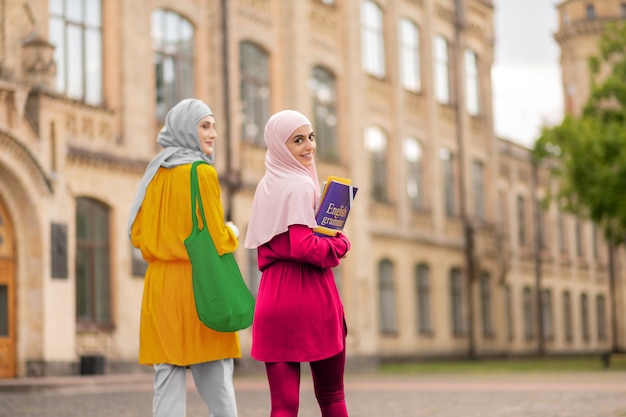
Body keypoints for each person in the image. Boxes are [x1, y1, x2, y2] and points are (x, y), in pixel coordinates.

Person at [128, 98, 241, 417]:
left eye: (214, 126)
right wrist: (231, 231)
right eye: (205, 125)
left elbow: (136, 234)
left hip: (160, 288)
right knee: (217, 382)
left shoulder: (154, 173)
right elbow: (216, 238)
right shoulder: (202, 173)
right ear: (186, 129)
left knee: (166, 382)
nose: (213, 134)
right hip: (198, 287)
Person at [244, 110, 351, 417]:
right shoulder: (302, 185)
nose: (309, 146)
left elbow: (272, 245)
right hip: (311, 296)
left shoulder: (266, 185)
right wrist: (340, 243)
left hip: (273, 298)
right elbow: (302, 244)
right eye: (298, 140)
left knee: (283, 406)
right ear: (280, 146)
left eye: (311, 137)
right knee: (332, 396)